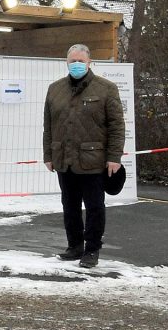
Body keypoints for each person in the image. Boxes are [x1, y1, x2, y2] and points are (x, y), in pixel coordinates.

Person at [43, 44, 125, 268]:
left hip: (94, 161)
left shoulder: (106, 89)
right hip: (64, 160)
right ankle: (74, 246)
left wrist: (114, 157)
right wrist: (48, 155)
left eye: (80, 61)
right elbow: (48, 126)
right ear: (66, 63)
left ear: (89, 63)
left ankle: (92, 250)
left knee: (94, 207)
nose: (76, 65)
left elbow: (117, 126)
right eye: (72, 61)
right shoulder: (54, 89)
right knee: (69, 206)